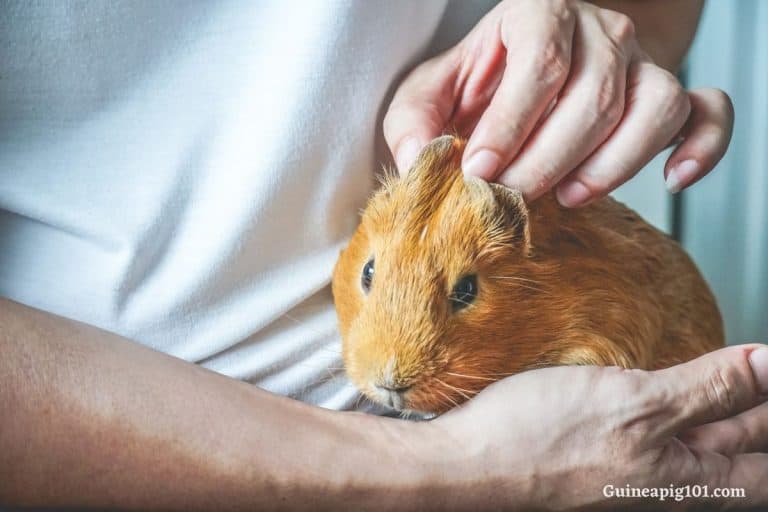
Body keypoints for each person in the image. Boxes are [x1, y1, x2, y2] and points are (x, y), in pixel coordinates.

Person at [0, 0, 765, 509]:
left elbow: (653, 14)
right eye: (373, 278)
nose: (393, 369)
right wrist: (461, 472)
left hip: (598, 468)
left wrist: (586, 49)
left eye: (463, 293)